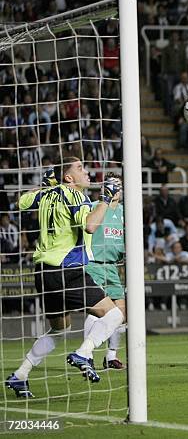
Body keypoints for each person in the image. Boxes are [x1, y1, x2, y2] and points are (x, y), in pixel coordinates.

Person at [6, 159, 124, 398]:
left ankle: (20, 375)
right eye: (80, 169)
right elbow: (91, 226)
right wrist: (105, 198)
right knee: (114, 314)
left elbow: (20, 202)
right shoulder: (76, 196)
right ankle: (84, 353)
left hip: (42, 271)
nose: (87, 171)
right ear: (68, 178)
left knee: (59, 330)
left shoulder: (45, 194)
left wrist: (45, 185)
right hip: (66, 268)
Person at [84, 172, 127, 370]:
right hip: (94, 264)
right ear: (103, 188)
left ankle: (110, 357)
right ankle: (87, 354)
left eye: (118, 185)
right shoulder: (95, 207)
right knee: (96, 311)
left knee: (120, 312)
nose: (115, 188)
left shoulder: (126, 212)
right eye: (111, 184)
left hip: (112, 267)